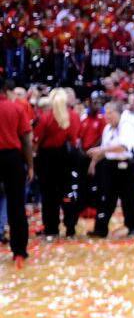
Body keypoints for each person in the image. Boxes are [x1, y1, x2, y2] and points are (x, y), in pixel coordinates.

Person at [88, 102, 134, 239]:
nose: (107, 116)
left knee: (128, 198)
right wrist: (93, 162)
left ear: (118, 113)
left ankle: (132, 227)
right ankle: (101, 229)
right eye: (106, 113)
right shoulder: (107, 129)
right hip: (110, 165)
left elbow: (123, 147)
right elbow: (105, 148)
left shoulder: (126, 126)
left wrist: (101, 150)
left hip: (127, 166)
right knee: (106, 198)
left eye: (110, 113)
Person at [32, 89, 82, 238]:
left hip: (48, 160)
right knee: (68, 193)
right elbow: (75, 138)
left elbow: (37, 141)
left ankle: (51, 227)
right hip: (68, 158)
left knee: (49, 196)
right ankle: (70, 226)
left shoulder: (46, 118)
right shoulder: (74, 117)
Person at [0, 83, 33, 266]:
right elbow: (26, 141)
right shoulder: (17, 108)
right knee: (16, 206)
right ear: (5, 90)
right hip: (12, 158)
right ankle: (19, 250)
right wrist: (30, 165)